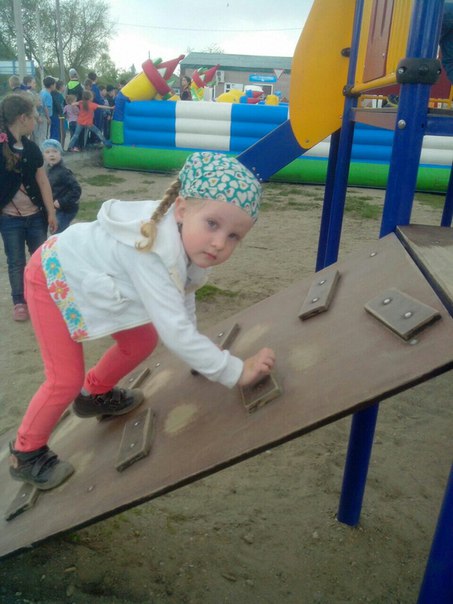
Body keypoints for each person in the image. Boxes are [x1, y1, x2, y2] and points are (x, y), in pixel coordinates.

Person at [7, 151, 275, 490]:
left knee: (142, 340)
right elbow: (175, 330)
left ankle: (94, 394)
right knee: (64, 379)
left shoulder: (185, 238)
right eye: (212, 224)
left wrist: (204, 358)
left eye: (234, 236)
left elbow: (184, 295)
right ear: (182, 209)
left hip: (91, 272)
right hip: (50, 275)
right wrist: (232, 371)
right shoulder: (152, 251)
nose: (219, 243)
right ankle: (25, 452)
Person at [0, 94, 57, 322]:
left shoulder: (32, 149)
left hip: (35, 217)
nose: (37, 120)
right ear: (22, 118)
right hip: (9, 219)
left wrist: (51, 211)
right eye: (34, 116)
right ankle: (19, 301)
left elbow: (43, 181)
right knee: (16, 262)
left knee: (40, 259)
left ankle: (41, 296)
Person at [41, 139, 81, 233]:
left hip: (66, 208)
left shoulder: (64, 171)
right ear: (43, 155)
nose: (51, 155)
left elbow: (76, 190)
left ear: (60, 153)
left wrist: (62, 201)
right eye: (47, 152)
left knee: (58, 231)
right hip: (55, 207)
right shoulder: (47, 169)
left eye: (55, 151)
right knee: (54, 229)